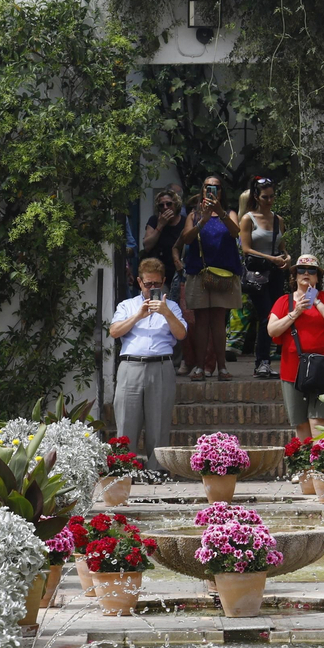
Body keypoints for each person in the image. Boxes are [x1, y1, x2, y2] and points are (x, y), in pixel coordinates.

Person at [109, 257, 187, 469]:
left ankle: (157, 471)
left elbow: (181, 334)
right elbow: (114, 332)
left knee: (159, 424)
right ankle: (124, 470)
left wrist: (166, 312)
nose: (152, 288)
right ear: (139, 282)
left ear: (163, 282)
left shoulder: (172, 307)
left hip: (161, 366)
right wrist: (138, 316)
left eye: (156, 284)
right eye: (148, 284)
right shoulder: (127, 306)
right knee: (126, 422)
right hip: (131, 366)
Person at [267, 254, 324, 439]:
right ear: (295, 276)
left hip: (323, 366)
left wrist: (316, 301)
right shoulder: (284, 301)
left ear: (318, 277)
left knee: (318, 420)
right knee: (300, 422)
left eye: (312, 271)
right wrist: (296, 312)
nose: (306, 273)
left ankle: (321, 457)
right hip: (293, 368)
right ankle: (305, 459)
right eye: (301, 270)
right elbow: (272, 330)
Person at [179, 174, 243, 381]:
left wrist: (220, 212)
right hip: (199, 272)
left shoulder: (230, 213)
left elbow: (236, 232)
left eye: (215, 187)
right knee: (201, 321)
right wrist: (203, 219)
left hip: (222, 274)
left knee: (218, 321)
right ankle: (199, 367)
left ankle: (222, 368)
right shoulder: (194, 215)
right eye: (207, 187)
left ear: (221, 192)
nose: (211, 191)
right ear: (202, 190)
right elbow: (186, 239)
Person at [239, 175, 291, 377]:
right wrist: (271, 258)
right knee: (266, 315)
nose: (269, 201)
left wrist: (286, 257)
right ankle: (261, 362)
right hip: (257, 274)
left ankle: (268, 361)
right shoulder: (248, 219)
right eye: (265, 197)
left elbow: (282, 247)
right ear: (256, 197)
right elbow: (246, 249)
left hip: (276, 273)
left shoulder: (278, 220)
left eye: (272, 196)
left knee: (277, 315)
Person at [141, 186, 186, 288]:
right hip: (159, 273)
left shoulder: (184, 222)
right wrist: (160, 225)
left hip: (179, 272)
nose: (165, 207)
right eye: (161, 205)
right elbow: (147, 246)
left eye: (169, 204)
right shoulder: (154, 220)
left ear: (176, 205)